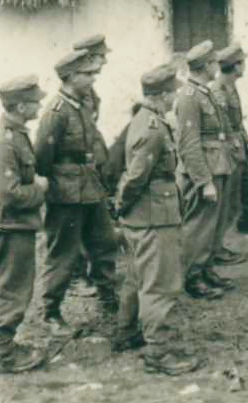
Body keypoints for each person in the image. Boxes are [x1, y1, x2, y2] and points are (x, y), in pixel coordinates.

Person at [114, 64, 200, 376]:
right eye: (172, 92)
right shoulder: (151, 128)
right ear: (161, 95)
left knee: (137, 277)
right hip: (154, 216)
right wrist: (122, 206)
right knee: (160, 284)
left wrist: (124, 211)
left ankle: (127, 332)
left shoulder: (145, 121)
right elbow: (137, 177)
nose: (175, 97)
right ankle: (159, 351)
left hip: (145, 215)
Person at [35, 49, 118, 335]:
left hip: (90, 185)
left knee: (105, 240)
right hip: (65, 191)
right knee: (63, 252)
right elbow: (43, 158)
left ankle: (107, 295)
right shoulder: (55, 112)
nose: (93, 78)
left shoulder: (81, 104)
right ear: (70, 76)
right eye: (88, 74)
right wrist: (55, 185)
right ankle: (51, 312)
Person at [175, 41, 235, 299]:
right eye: (214, 63)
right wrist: (204, 181)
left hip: (218, 165)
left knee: (213, 225)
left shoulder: (205, 92)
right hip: (204, 171)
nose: (217, 67)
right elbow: (188, 144)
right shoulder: (189, 97)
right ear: (205, 66)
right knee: (198, 226)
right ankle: (192, 277)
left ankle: (206, 268)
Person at [0, 75, 48, 373]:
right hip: (13, 226)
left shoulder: (17, 134)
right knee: (14, 290)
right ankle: (4, 353)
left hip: (16, 224)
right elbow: (11, 194)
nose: (39, 105)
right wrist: (40, 188)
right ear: (19, 106)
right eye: (34, 102)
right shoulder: (7, 142)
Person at [69, 34, 114, 298]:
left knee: (95, 222)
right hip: (76, 172)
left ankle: (95, 274)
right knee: (75, 223)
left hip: (92, 165)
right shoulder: (76, 94)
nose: (105, 60)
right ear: (88, 58)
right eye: (100, 56)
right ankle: (76, 276)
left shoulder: (90, 91)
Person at [211, 43, 248, 237]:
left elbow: (237, 121)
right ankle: (218, 245)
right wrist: (233, 150)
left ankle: (246, 220)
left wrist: (247, 144)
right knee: (230, 196)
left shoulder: (230, 85)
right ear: (236, 66)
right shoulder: (219, 90)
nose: (244, 66)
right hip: (229, 149)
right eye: (242, 63)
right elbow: (222, 125)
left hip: (240, 144)